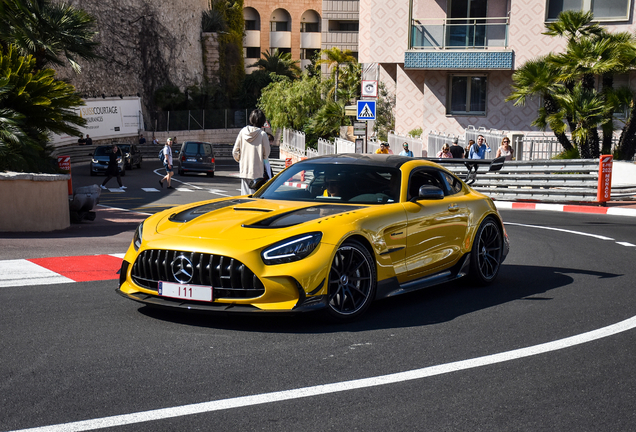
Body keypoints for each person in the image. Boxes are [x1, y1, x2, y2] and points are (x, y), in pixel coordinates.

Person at [232, 109, 270, 195]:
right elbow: (266, 154)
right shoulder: (262, 135)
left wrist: (241, 160)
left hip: (244, 171)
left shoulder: (242, 132)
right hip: (257, 173)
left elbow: (235, 151)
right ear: (263, 121)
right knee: (256, 197)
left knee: (244, 196)